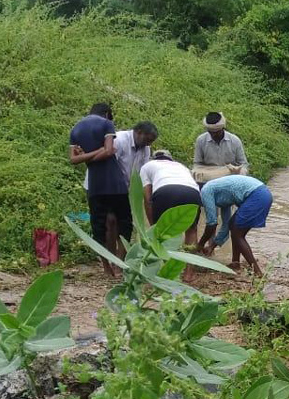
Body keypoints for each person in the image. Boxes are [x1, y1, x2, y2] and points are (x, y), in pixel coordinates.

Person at [69, 102, 129, 278]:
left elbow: (73, 160)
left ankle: (106, 268)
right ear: (108, 114)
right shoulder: (106, 124)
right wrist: (101, 150)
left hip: (94, 184)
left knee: (99, 226)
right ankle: (120, 265)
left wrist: (87, 157)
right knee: (124, 223)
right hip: (115, 183)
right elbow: (110, 150)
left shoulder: (76, 128)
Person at [196, 175, 273, 278]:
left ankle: (257, 273)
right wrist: (211, 246)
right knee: (233, 225)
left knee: (237, 234)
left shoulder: (205, 191)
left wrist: (200, 245)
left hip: (257, 195)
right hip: (263, 194)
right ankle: (235, 263)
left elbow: (211, 223)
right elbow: (226, 225)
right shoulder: (221, 195)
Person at [193, 112, 250, 250]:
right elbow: (197, 165)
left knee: (227, 220)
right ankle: (209, 244)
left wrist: (238, 172)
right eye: (210, 132)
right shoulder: (201, 140)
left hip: (228, 185)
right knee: (211, 217)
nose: (213, 135)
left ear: (222, 129)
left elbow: (244, 164)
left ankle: (215, 245)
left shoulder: (234, 141)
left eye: (216, 132)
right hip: (208, 184)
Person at [139, 150, 202, 247]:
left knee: (162, 232)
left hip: (165, 191)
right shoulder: (181, 166)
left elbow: (147, 199)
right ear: (171, 159)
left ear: (154, 158)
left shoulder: (147, 166)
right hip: (192, 192)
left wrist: (153, 226)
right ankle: (190, 261)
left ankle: (165, 261)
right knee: (191, 230)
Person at [114, 121, 158, 190]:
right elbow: (109, 166)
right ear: (139, 132)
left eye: (151, 141)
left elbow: (143, 172)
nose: (149, 144)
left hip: (128, 189)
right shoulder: (119, 140)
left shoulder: (146, 148)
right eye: (147, 140)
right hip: (112, 186)